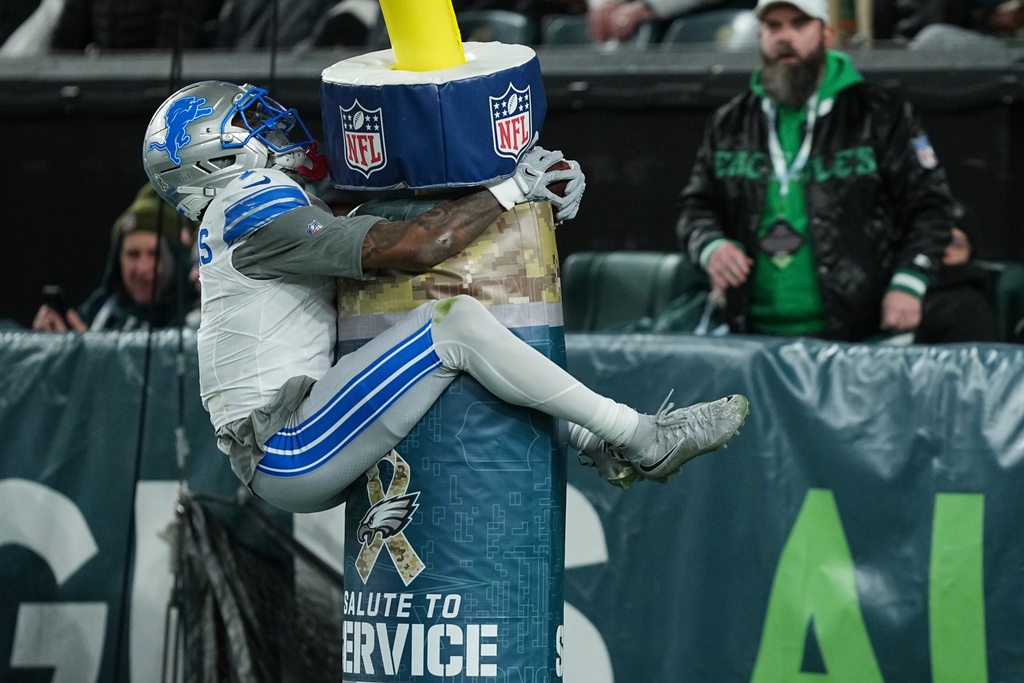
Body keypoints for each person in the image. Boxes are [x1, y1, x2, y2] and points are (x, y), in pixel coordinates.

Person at [142, 80, 749, 512]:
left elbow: (386, 229)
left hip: (299, 430)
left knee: (426, 326)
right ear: (214, 155)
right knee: (449, 324)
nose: (273, 124)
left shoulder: (243, 213)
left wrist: (533, 195)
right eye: (249, 121)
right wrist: (515, 188)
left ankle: (597, 442)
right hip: (286, 446)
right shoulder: (249, 200)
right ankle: (642, 438)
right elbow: (418, 245)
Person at [676, 0, 954, 342]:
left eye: (799, 24)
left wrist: (910, 281)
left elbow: (930, 205)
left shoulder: (881, 115)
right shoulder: (729, 123)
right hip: (751, 338)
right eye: (774, 26)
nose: (785, 37)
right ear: (760, 36)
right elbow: (696, 206)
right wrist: (710, 245)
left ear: (827, 34)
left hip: (861, 336)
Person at [32, 183, 197, 332]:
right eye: (132, 254)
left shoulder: (196, 317)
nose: (142, 268)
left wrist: (84, 349)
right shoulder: (101, 308)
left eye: (155, 254)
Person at [915, 224, 998, 343]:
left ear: (969, 252)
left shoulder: (969, 305)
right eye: (938, 241)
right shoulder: (907, 287)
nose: (945, 249)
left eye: (955, 242)